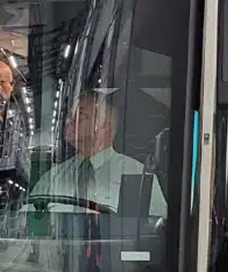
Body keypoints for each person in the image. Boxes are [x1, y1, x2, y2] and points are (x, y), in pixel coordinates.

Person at [31, 91, 166, 216]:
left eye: (81, 115)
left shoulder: (138, 175)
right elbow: (27, 221)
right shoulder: (52, 179)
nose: (69, 121)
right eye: (70, 116)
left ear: (104, 125)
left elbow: (158, 226)